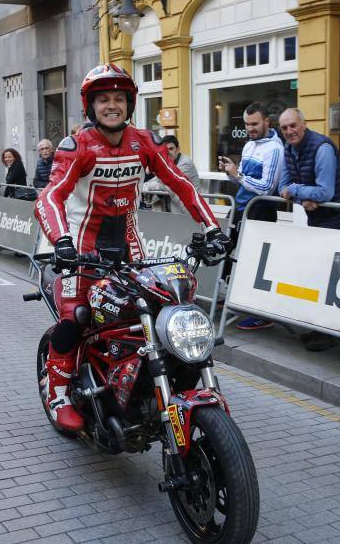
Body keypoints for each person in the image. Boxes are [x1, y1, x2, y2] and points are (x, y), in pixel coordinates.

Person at [33, 64, 227, 431]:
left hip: (129, 246)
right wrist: (61, 242)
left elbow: (182, 185)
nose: (112, 105)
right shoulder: (77, 147)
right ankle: (57, 392)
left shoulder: (145, 141)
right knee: (77, 318)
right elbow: (49, 197)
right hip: (79, 248)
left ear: (130, 103)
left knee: (154, 314)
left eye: (119, 98)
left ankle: (141, 384)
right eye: (103, 99)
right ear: (90, 106)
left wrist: (213, 228)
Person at [278, 107, 340, 351]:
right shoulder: (287, 149)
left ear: (304, 123)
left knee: (329, 277)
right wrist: (304, 198)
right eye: (284, 128)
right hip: (316, 215)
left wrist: (299, 193)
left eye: (293, 126)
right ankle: (319, 329)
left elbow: (325, 192)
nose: (289, 131)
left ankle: (330, 333)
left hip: (336, 217)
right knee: (318, 275)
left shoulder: (322, 148)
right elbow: (283, 188)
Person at [218, 102, 284, 331]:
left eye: (255, 124)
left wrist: (238, 174)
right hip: (241, 207)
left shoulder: (275, 148)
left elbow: (266, 187)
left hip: (261, 210)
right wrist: (231, 173)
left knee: (257, 263)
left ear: (267, 121)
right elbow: (242, 180)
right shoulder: (248, 146)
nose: (250, 128)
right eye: (247, 124)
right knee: (227, 251)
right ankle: (227, 298)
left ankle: (262, 313)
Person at [143, 135, 202, 213]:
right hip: (172, 213)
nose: (168, 152)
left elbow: (170, 184)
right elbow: (149, 186)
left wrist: (151, 186)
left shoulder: (185, 163)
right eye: (165, 150)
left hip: (189, 212)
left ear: (178, 150)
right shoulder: (165, 164)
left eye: (171, 149)